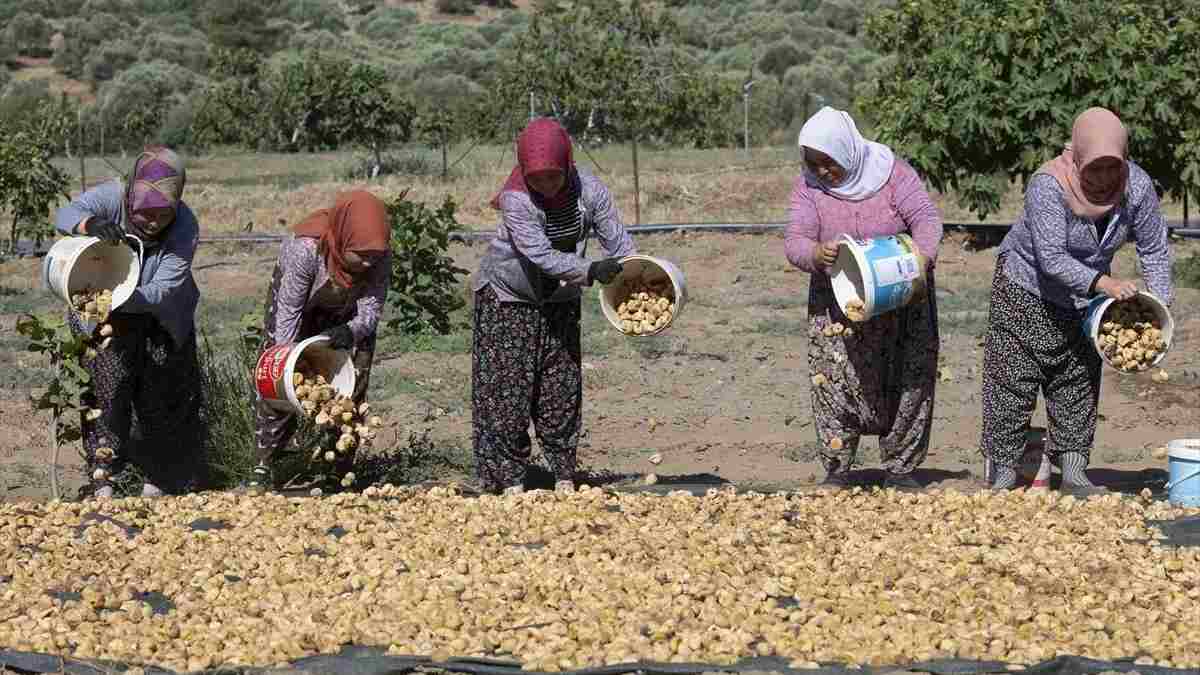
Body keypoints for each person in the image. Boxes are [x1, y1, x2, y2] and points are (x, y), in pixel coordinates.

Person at [980, 107, 1173, 496]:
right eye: (1094, 169)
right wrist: (1105, 283)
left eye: (1112, 168)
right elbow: (1050, 258)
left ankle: (1074, 473)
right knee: (1012, 381)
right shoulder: (1048, 185)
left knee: (1077, 380)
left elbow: (1154, 248)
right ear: (1078, 158)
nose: (1104, 180)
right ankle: (1002, 473)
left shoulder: (1136, 187)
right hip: (1025, 287)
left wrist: (1159, 308)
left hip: (1086, 299)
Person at [472, 117, 635, 494]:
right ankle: (507, 479)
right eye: (537, 178)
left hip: (560, 298)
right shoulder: (516, 199)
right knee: (507, 390)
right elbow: (539, 255)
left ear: (567, 166)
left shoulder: (591, 192)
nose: (545, 186)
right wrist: (591, 270)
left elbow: (619, 242)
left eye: (553, 177)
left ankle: (562, 471)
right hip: (509, 297)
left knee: (559, 385)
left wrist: (635, 274)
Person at [784, 106, 943, 490]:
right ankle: (838, 467)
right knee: (835, 382)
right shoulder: (809, 188)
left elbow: (926, 219)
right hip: (840, 302)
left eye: (829, 162)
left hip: (901, 296)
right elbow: (795, 240)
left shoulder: (893, 174)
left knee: (909, 378)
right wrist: (816, 253)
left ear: (848, 151)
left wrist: (922, 259)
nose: (822, 171)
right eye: (813, 162)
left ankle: (901, 469)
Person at [54, 146, 201, 499]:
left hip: (159, 315)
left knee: (161, 393)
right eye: (144, 213)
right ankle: (104, 478)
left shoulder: (185, 224)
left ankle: (159, 479)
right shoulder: (112, 197)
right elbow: (65, 214)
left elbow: (164, 288)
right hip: (101, 314)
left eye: (161, 215)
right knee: (109, 391)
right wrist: (90, 225)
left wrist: (117, 297)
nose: (152, 222)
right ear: (132, 194)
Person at [252, 190, 392, 490]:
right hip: (299, 308)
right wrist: (290, 362)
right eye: (361, 255)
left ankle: (338, 469)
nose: (368, 264)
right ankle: (265, 465)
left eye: (374, 257)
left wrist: (351, 331)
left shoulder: (379, 255)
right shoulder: (305, 249)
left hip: (348, 314)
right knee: (275, 377)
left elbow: (371, 308)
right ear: (343, 240)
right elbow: (288, 314)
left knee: (353, 381)